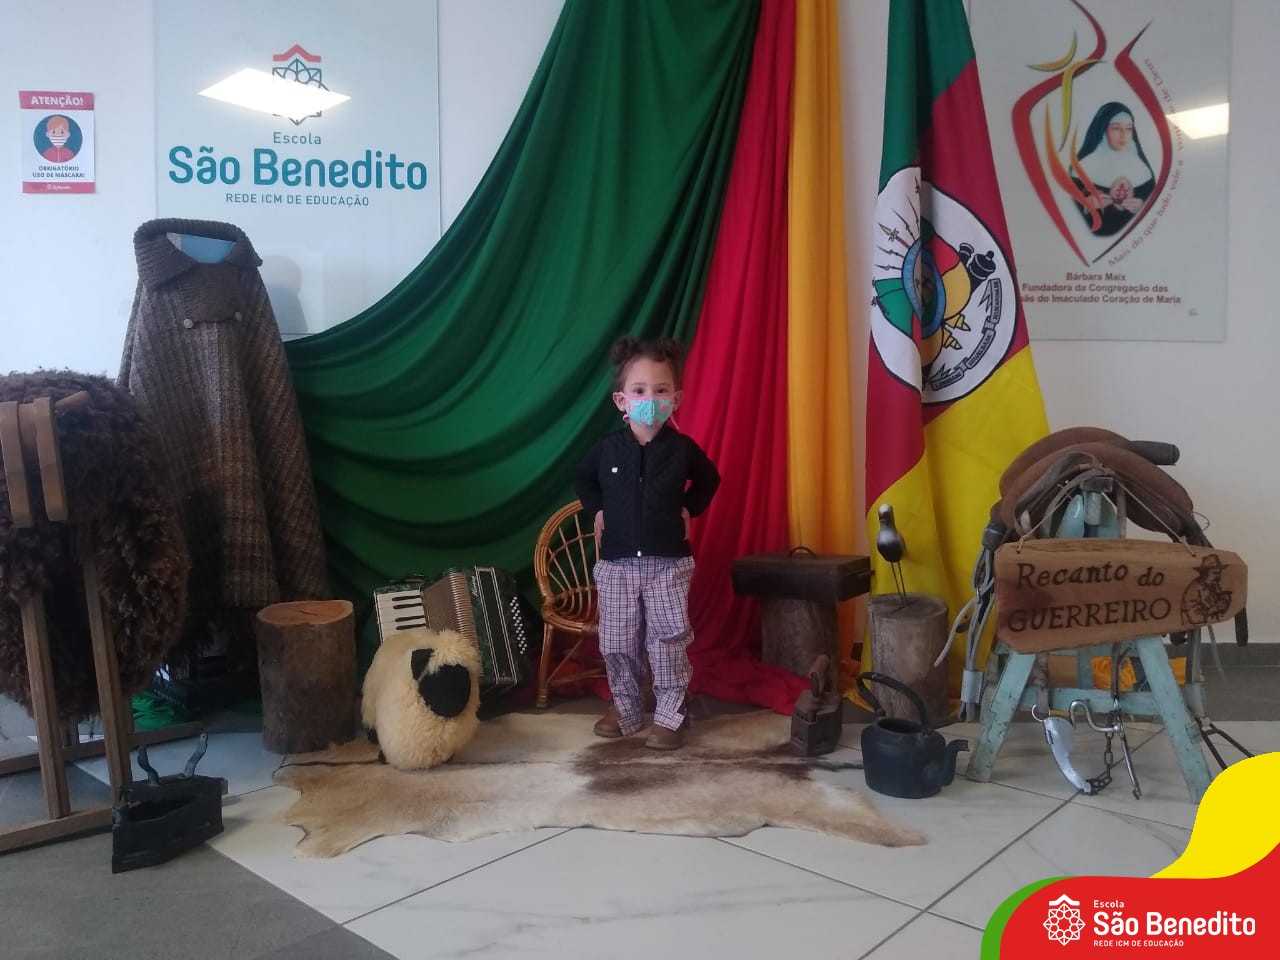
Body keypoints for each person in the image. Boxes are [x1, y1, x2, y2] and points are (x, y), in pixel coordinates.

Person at [573, 335, 720, 750]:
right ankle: (625, 705)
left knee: (667, 638)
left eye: (660, 391)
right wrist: (598, 510)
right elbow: (583, 479)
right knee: (617, 641)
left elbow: (709, 480)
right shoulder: (606, 449)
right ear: (621, 400)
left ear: (676, 398)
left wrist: (689, 507)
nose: (650, 400)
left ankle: (671, 713)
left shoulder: (682, 449)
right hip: (616, 564)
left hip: (668, 564)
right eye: (639, 391)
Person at [1068, 101, 1156, 237]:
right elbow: (1064, 210)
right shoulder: (1082, 169)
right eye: (1116, 128)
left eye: (1129, 129)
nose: (1123, 135)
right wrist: (1085, 205)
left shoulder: (1144, 171)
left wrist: (1143, 208)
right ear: (1103, 129)